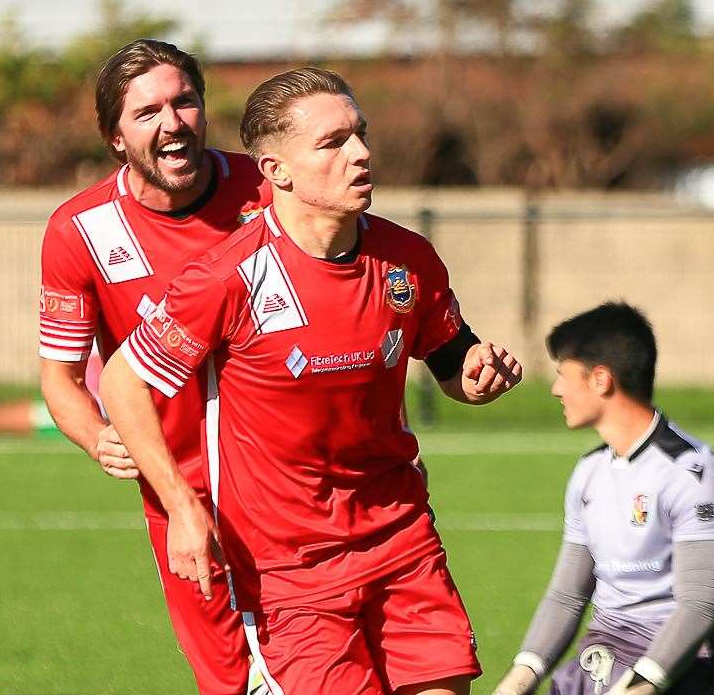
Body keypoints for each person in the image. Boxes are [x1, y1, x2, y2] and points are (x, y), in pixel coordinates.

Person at [100, 67, 523, 695]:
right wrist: (182, 506)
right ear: (276, 171)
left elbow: (450, 357)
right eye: (333, 143)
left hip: (403, 541)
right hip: (288, 572)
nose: (361, 154)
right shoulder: (227, 277)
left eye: (361, 135)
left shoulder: (408, 260)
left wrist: (476, 377)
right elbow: (122, 382)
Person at [38, 40, 271, 694]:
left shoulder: (269, 190)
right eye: (147, 113)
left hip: (290, 478)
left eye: (184, 102)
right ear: (115, 137)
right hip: (180, 487)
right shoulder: (78, 230)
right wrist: (97, 434)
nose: (172, 122)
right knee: (231, 680)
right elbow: (59, 375)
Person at [491, 302, 714, 695]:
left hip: (670, 671)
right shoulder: (589, 473)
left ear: (601, 379)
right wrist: (516, 683)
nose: (556, 389)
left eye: (563, 375)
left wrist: (641, 687)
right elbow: (568, 594)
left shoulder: (693, 473)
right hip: (597, 662)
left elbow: (699, 607)